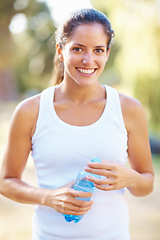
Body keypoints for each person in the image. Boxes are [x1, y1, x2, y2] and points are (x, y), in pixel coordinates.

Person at [0, 8, 154, 240]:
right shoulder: (31, 111)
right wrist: (48, 197)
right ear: (61, 51)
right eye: (78, 49)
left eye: (98, 50)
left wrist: (130, 178)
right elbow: (6, 181)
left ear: (107, 53)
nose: (88, 60)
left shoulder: (128, 109)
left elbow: (147, 182)